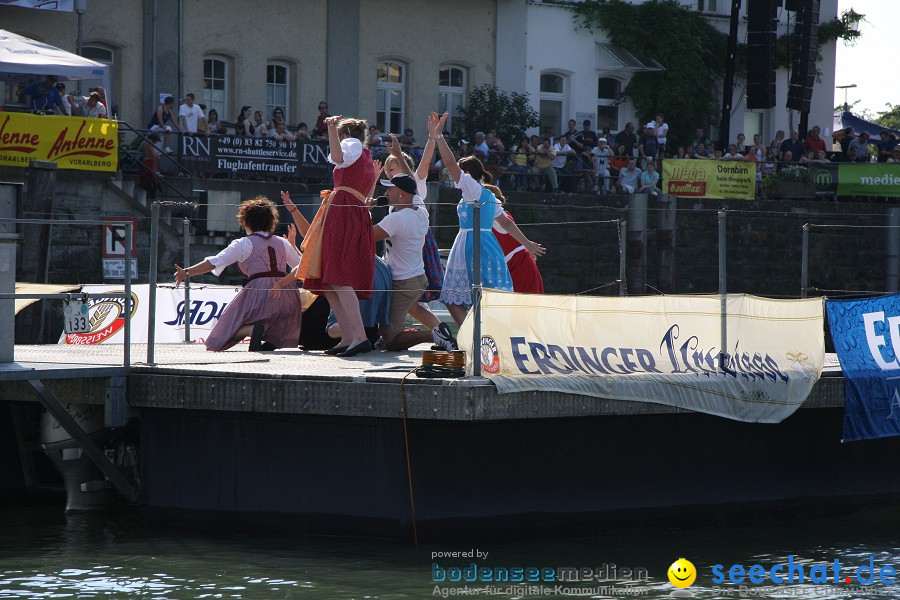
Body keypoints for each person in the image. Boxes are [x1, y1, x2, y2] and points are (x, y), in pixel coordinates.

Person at [274, 116, 376, 358]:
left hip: (343, 212)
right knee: (330, 280)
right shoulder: (367, 156)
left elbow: (337, 157)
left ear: (346, 134)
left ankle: (359, 336)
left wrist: (331, 128)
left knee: (338, 275)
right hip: (350, 212)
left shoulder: (351, 145)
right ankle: (350, 336)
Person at [433, 112, 545, 326]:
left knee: (455, 297)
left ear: (467, 174)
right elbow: (506, 223)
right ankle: (479, 334)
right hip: (486, 246)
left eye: (460, 172)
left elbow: (449, 164)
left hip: (472, 245)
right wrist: (527, 243)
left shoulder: (472, 189)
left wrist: (439, 137)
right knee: (478, 297)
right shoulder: (489, 195)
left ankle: (473, 335)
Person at [173, 196, 302, 351]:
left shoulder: (244, 243)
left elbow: (215, 262)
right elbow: (302, 266)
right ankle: (268, 341)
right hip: (287, 293)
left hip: (259, 292)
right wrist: (293, 246)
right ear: (271, 221)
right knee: (274, 319)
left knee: (228, 329)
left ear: (246, 222)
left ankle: (252, 330)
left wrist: (186, 272)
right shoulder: (283, 242)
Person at [381, 115, 454, 351]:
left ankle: (433, 335)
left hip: (414, 252)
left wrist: (432, 137)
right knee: (412, 305)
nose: (390, 175)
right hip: (408, 252)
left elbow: (419, 167)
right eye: (387, 171)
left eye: (392, 169)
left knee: (407, 306)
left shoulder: (413, 190)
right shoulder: (406, 200)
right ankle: (441, 332)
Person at [369, 173, 439, 351]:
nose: (386, 193)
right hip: (417, 277)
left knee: (390, 340)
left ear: (402, 195)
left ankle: (433, 336)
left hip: (403, 282)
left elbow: (366, 235)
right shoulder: (421, 210)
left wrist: (365, 210)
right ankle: (445, 334)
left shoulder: (397, 218)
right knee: (414, 308)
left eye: (390, 190)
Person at [486, 184, 544, 294]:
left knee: (524, 303)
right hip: (511, 266)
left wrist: (527, 244)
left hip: (519, 266)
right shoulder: (494, 216)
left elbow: (507, 226)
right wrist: (527, 244)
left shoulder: (496, 216)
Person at [139, 133, 161, 200]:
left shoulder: (145, 144)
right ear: (155, 139)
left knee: (147, 180)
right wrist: (159, 154)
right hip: (150, 163)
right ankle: (151, 197)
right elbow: (153, 155)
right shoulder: (150, 145)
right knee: (154, 181)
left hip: (145, 162)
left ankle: (148, 196)